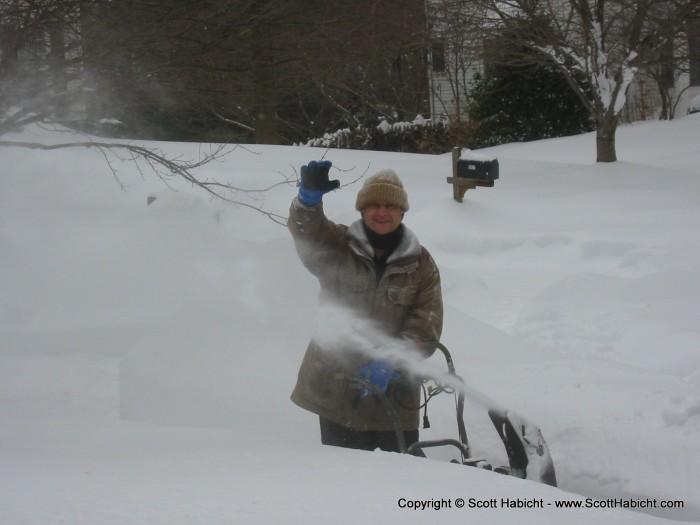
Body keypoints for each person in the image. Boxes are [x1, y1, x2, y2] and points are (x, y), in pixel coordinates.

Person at [287, 159, 443, 452]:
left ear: (402, 211)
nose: (381, 212)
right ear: (362, 210)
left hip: (395, 402)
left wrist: (391, 361)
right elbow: (308, 234)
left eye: (390, 205)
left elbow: (427, 326)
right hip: (336, 394)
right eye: (374, 205)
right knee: (345, 482)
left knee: (399, 482)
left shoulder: (421, 263)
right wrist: (307, 203)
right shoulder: (338, 246)